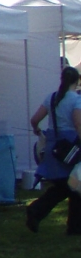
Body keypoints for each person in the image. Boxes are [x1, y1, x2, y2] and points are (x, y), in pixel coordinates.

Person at [27, 65, 81, 235]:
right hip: (71, 148)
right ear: (77, 81)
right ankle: (38, 211)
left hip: (54, 147)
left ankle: (72, 226)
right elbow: (78, 123)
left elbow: (35, 119)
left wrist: (36, 130)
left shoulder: (51, 98)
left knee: (67, 186)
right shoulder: (76, 100)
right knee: (73, 185)